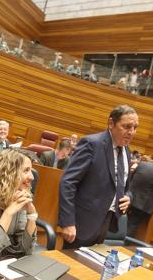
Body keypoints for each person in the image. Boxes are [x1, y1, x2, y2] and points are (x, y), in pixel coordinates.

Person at [58, 105, 137, 248]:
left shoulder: (126, 150)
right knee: (70, 266)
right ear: (111, 123)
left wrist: (128, 197)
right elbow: (68, 182)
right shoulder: (92, 144)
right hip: (81, 224)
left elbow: (125, 186)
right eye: (127, 126)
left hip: (105, 223)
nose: (131, 132)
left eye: (135, 128)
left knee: (90, 267)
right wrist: (68, 222)